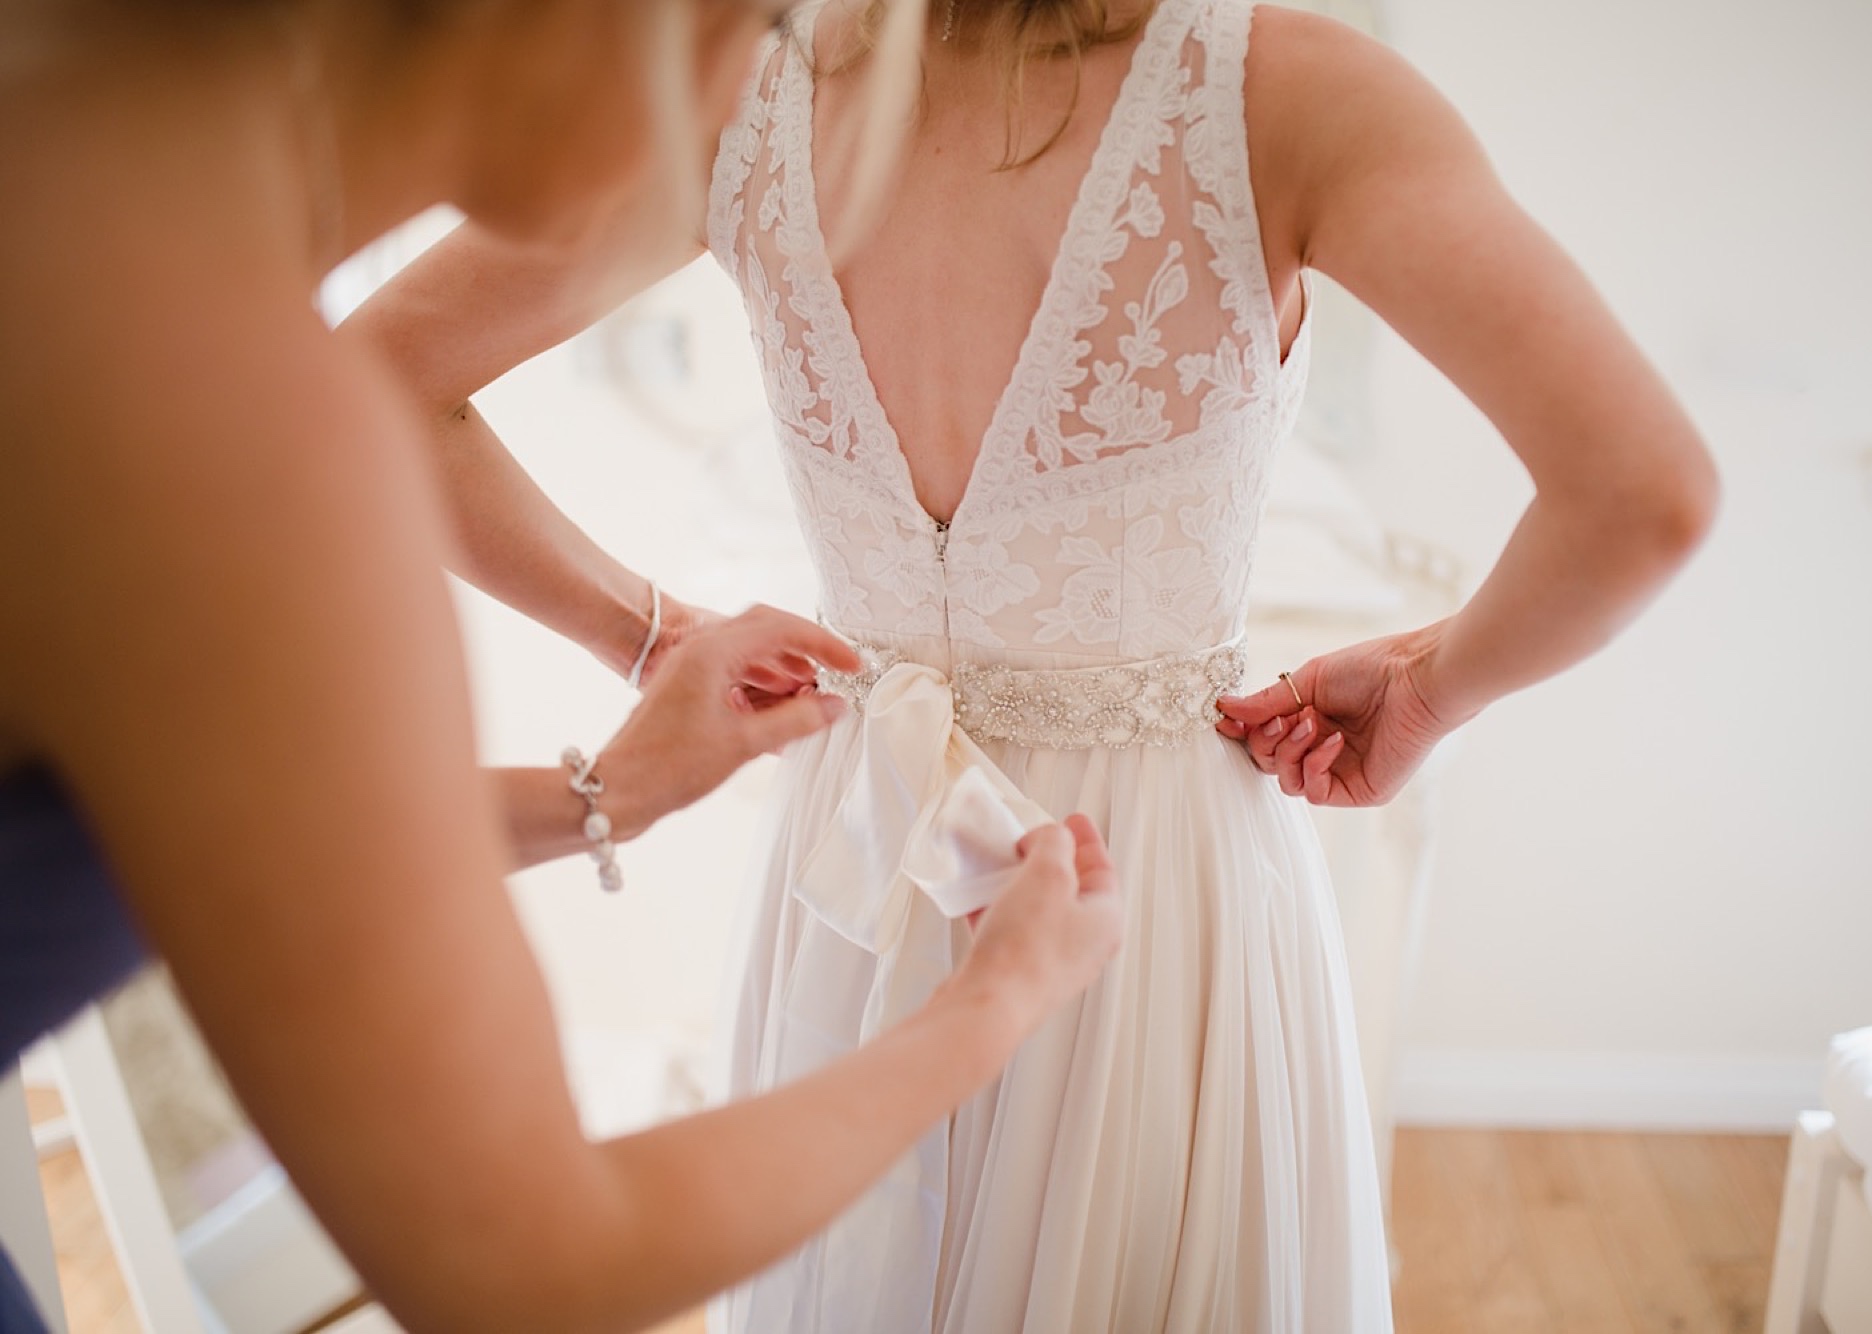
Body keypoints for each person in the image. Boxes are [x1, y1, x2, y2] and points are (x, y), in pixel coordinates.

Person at [354, 0, 1722, 1325]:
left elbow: (373, 373)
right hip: (1147, 883)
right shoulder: (1291, 92)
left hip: (864, 857)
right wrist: (1430, 688)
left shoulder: (744, 81)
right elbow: (1643, 494)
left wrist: (650, 634)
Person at [0, 0, 1126, 1329]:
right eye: (761, 24)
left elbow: (242, 831)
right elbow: (521, 1263)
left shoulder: (75, 176)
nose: (740, 99)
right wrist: (989, 1010)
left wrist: (606, 786)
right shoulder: (216, 408)